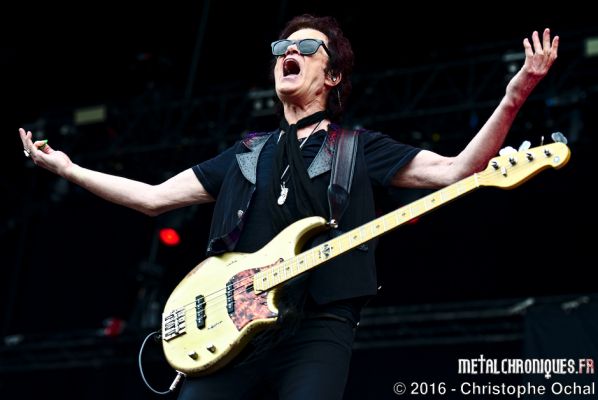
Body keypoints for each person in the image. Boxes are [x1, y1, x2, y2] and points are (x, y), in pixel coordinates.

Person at [19, 14, 558, 400]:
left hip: (317, 326)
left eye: (304, 46)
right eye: (280, 48)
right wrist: (68, 169)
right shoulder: (245, 153)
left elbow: (455, 170)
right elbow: (152, 198)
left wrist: (514, 96)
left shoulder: (357, 147)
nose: (287, 54)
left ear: (333, 75)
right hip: (231, 324)